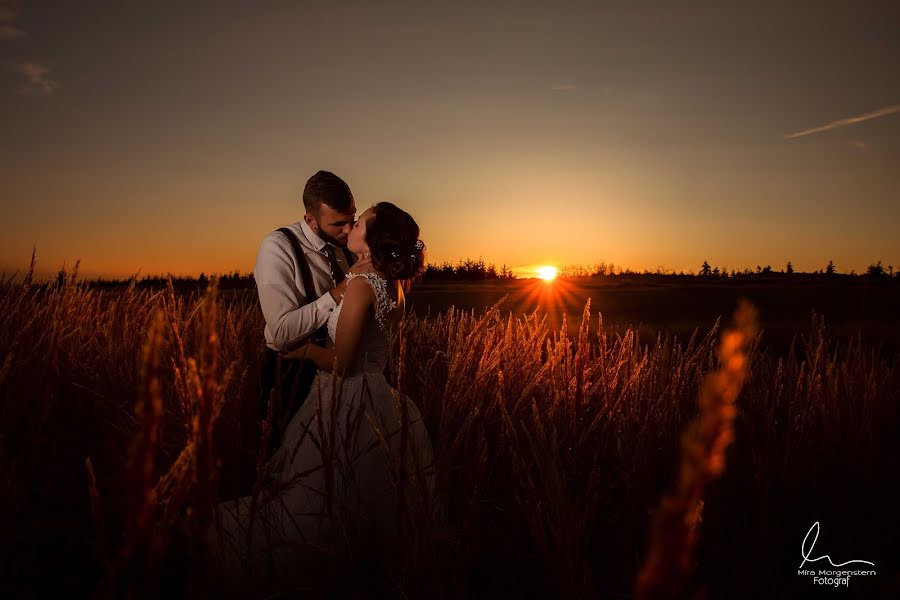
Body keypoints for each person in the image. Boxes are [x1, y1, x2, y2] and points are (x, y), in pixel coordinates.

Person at [212, 202, 435, 594]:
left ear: (372, 237)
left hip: (347, 397)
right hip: (378, 397)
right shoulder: (393, 284)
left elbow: (341, 362)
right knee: (364, 497)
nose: (351, 226)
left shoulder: (364, 285)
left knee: (322, 497)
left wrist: (301, 352)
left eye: (360, 221)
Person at [253, 170, 371, 450]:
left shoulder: (347, 244)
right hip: (292, 375)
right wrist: (337, 293)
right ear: (310, 219)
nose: (348, 229)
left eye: (352, 219)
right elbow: (281, 333)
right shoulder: (277, 247)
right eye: (338, 224)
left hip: (340, 372)